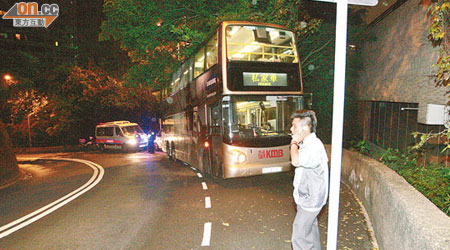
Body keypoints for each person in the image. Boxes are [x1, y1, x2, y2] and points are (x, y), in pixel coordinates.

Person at [289, 110, 329, 250]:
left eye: (294, 126)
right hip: (308, 197)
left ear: (304, 129)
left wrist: (294, 142)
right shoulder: (308, 144)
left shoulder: (314, 146)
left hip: (311, 199)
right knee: (311, 233)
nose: (291, 129)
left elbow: (295, 160)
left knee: (299, 237)